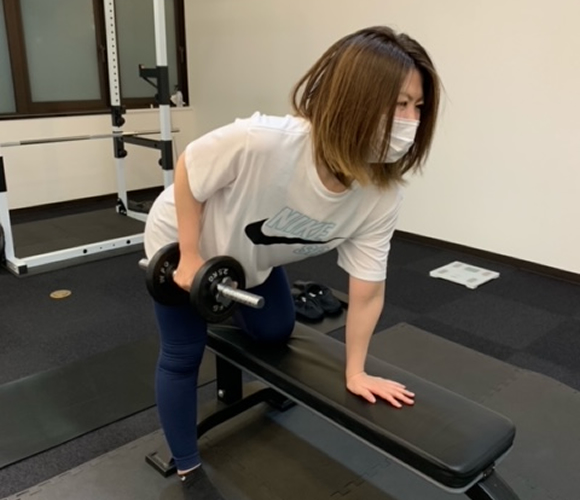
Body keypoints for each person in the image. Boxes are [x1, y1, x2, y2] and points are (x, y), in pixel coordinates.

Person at [144, 25, 441, 500]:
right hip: (185, 240)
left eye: (418, 107)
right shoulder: (264, 141)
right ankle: (187, 468)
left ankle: (239, 300)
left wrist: (356, 371)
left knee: (275, 332)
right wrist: (192, 257)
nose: (410, 121)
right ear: (353, 100)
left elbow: (368, 291)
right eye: (398, 104)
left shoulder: (380, 196)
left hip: (251, 258)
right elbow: (188, 168)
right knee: (183, 353)